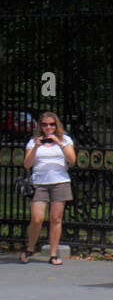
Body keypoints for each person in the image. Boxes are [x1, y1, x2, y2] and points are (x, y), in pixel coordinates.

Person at [20, 112, 76, 265]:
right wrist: (36, 147)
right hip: (40, 183)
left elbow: (72, 160)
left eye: (52, 124)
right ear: (40, 126)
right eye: (45, 124)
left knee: (55, 219)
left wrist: (59, 143)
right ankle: (30, 248)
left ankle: (53, 253)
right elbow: (27, 164)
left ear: (56, 125)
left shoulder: (65, 140)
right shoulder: (33, 142)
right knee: (37, 218)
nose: (48, 128)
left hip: (60, 182)